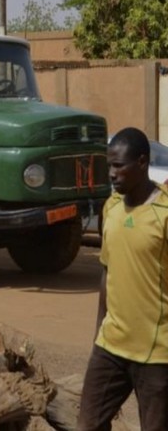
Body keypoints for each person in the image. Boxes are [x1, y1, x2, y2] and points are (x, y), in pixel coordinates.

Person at [77, 127, 168, 431]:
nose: (112, 174)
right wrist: (98, 334)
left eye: (119, 166)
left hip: (157, 354)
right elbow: (107, 271)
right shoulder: (111, 207)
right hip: (111, 346)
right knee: (88, 424)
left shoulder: (164, 214)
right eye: (109, 166)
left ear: (142, 163)